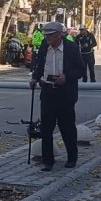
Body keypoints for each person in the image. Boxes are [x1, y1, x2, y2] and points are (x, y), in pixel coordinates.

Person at [29, 22, 86, 172]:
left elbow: (80, 70)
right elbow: (40, 65)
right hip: (48, 90)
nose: (48, 38)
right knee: (46, 128)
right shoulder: (43, 47)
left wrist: (66, 77)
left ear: (60, 35)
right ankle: (48, 161)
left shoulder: (71, 48)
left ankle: (71, 157)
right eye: (46, 35)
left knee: (67, 127)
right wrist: (35, 77)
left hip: (65, 92)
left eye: (51, 35)